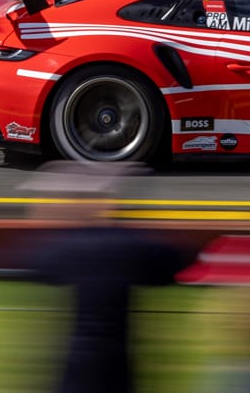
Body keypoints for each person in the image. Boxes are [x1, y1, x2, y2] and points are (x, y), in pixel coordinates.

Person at [19, 163, 189, 393]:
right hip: (118, 374)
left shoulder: (69, 248)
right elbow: (174, 261)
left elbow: (29, 259)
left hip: (78, 374)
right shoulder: (130, 245)